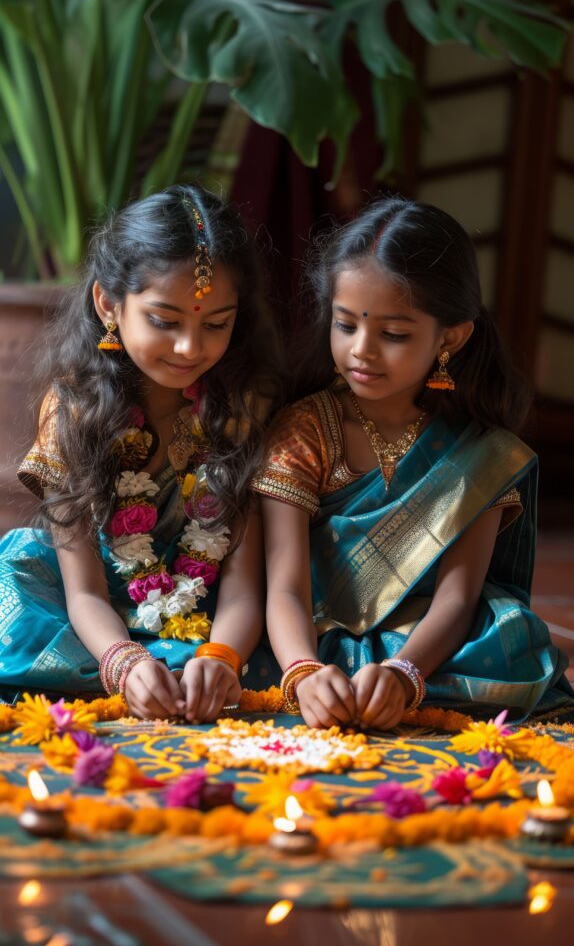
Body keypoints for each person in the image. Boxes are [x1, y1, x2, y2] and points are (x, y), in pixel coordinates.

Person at [253, 196, 573, 729]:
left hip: (425, 640)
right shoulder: (305, 428)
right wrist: (304, 672)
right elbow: (284, 585)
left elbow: (459, 595)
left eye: (394, 334)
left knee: (513, 633)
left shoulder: (479, 449)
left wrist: (405, 672)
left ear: (450, 337)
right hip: (310, 632)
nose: (362, 350)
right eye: (345, 325)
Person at [0, 184, 282, 721]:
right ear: (109, 303)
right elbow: (82, 592)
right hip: (94, 624)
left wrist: (222, 658)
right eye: (164, 320)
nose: (189, 348)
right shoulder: (74, 411)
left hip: (215, 622)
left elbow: (246, 585)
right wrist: (124, 662)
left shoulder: (242, 406)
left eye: (215, 323)